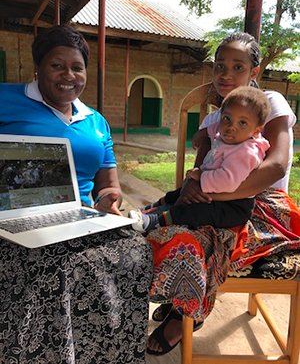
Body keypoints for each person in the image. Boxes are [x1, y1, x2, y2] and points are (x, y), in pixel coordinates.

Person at [0, 25, 153, 363]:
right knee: (47, 264)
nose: (68, 75)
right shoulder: (5, 98)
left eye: (77, 67)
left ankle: (108, 353)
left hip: (79, 215)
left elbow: (108, 184)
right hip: (13, 217)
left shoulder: (96, 121)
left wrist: (107, 201)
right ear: (38, 67)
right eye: (57, 65)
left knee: (136, 253)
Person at [145, 32, 300, 356]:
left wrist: (213, 194)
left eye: (237, 67)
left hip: (262, 205)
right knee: (165, 220)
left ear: (253, 72)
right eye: (220, 66)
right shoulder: (217, 118)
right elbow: (200, 168)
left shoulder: (270, 103)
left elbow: (275, 166)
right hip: (215, 195)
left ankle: (187, 313)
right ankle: (180, 301)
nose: (226, 75)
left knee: (195, 237)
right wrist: (190, 185)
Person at [129, 86, 271, 232]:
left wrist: (200, 176)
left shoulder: (246, 152)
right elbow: (215, 127)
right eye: (227, 118)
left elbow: (227, 181)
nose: (230, 127)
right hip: (212, 191)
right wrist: (202, 133)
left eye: (242, 123)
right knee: (178, 192)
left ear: (256, 130)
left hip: (232, 206)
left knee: (195, 212)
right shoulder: (229, 134)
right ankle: (153, 208)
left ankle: (156, 221)